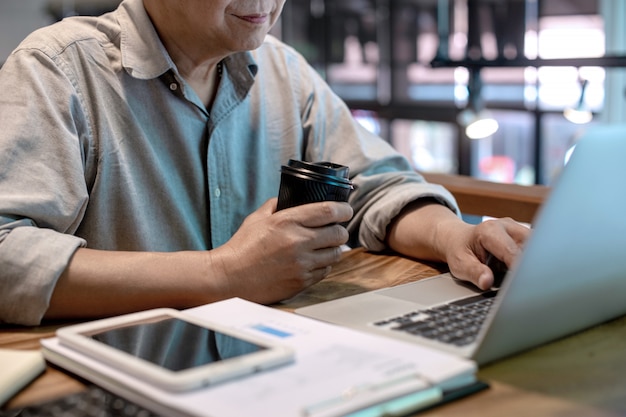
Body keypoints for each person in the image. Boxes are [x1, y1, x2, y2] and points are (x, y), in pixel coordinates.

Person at [0, 0, 529, 326]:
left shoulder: (283, 70)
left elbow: (375, 185)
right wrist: (220, 274)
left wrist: (453, 237)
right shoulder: (58, 69)